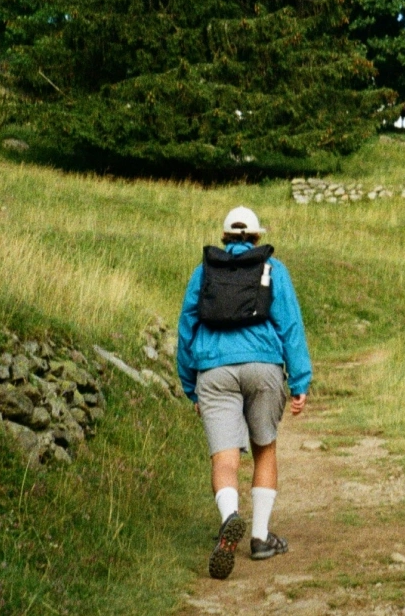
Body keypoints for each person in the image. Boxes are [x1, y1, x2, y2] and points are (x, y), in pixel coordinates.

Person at [177, 206, 312, 579]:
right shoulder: (273, 269)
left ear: (224, 238)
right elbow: (290, 325)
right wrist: (300, 380)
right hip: (263, 368)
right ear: (256, 237)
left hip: (214, 371)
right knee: (264, 448)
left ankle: (229, 517)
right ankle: (260, 537)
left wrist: (191, 386)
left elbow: (186, 327)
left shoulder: (204, 271)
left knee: (224, 457)